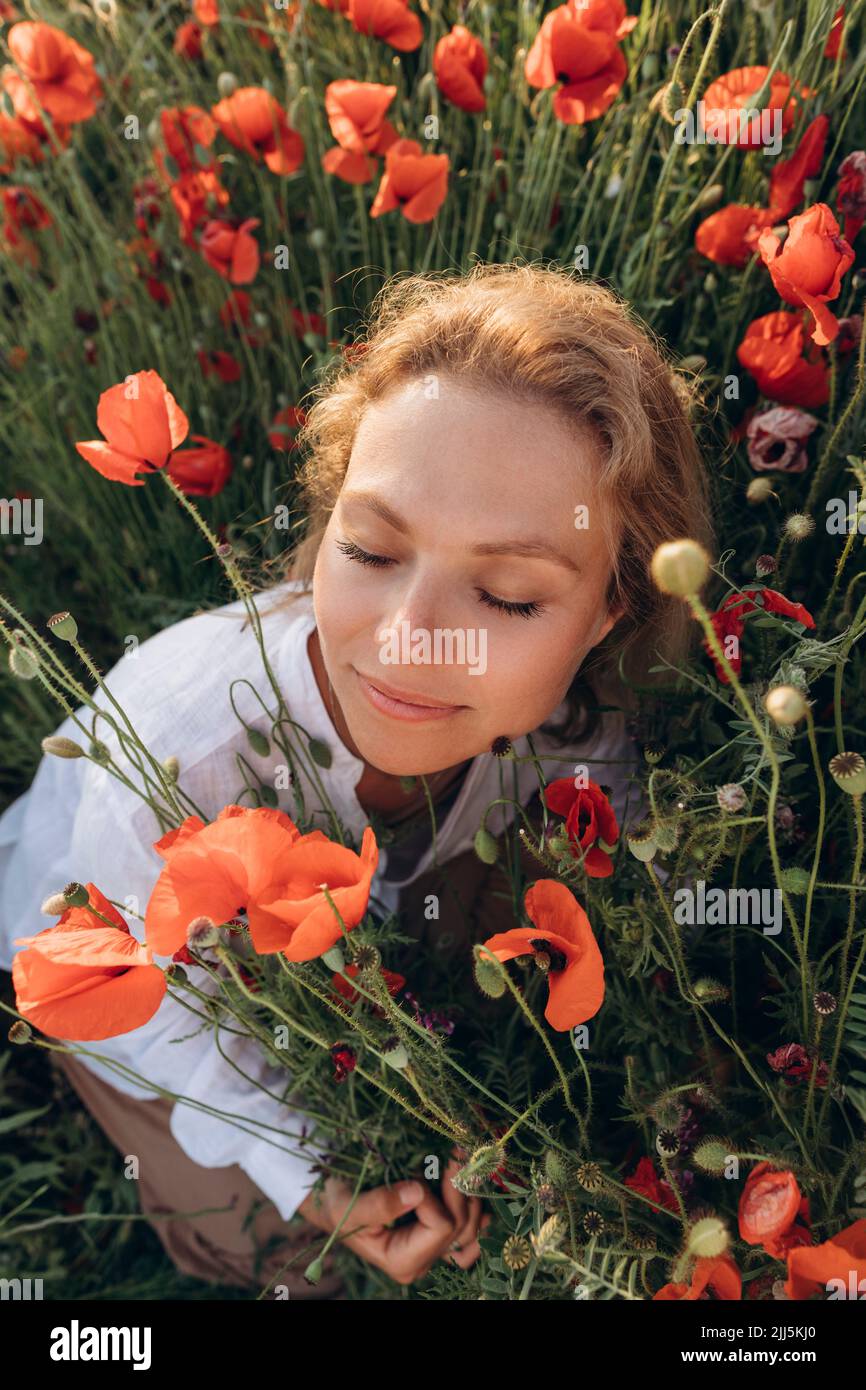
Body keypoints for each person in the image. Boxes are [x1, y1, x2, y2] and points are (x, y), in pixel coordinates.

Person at [0, 261, 714, 1295]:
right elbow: (155, 1009)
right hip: (123, 968)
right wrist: (310, 1180)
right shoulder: (178, 752)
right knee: (281, 1249)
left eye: (508, 595)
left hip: (378, 901)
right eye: (372, 549)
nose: (409, 639)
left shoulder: (584, 735)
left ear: (606, 614)